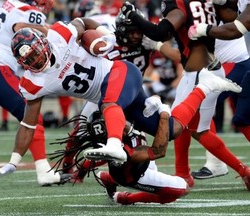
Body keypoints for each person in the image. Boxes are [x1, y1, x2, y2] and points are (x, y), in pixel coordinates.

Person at [0, 17, 244, 189]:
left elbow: (83, 22)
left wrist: (101, 33)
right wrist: (14, 160)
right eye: (29, 61)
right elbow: (28, 125)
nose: (36, 62)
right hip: (111, 98)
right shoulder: (32, 82)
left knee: (109, 105)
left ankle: (115, 144)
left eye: (36, 54)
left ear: (42, 43)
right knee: (172, 130)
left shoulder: (58, 35)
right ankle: (205, 86)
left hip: (119, 73)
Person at [119, 0, 250, 189]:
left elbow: (161, 32)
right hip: (212, 68)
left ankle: (183, 172)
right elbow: (232, 15)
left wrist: (133, 15)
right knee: (199, 129)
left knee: (174, 127)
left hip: (198, 73)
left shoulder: (180, 4)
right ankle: (238, 172)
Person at [62, 11, 181, 183]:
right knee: (81, 131)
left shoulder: (146, 44)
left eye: (139, 31)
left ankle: (85, 173)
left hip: (133, 96)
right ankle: (67, 166)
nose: (136, 35)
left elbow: (177, 57)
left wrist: (157, 45)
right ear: (122, 30)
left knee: (127, 141)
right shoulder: (108, 43)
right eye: (132, 31)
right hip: (104, 95)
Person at [0, 0, 69, 186]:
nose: (46, 8)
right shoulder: (30, 11)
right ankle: (44, 171)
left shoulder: (10, 4)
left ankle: (43, 171)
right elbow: (21, 28)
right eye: (44, 3)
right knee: (31, 115)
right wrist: (49, 30)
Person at [50, 111, 189, 205]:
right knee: (180, 189)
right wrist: (164, 114)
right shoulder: (120, 146)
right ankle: (125, 198)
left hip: (143, 163)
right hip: (135, 173)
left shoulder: (124, 120)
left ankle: (108, 178)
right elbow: (158, 151)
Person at [188, 0, 250, 178]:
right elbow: (233, 9)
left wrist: (205, 30)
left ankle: (213, 163)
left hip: (236, 62)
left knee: (199, 106)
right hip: (249, 64)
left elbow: (235, 28)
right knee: (243, 118)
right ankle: (215, 163)